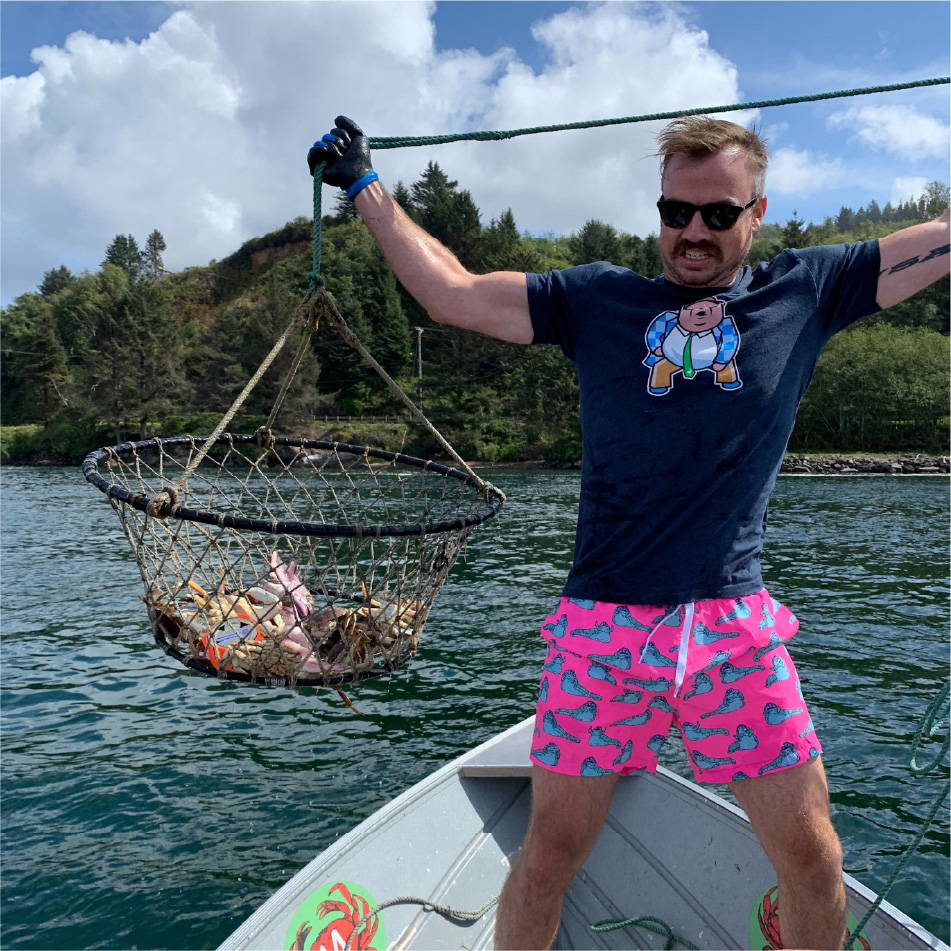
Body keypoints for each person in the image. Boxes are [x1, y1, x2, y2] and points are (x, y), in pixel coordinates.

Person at [308, 115, 950, 950]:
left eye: (718, 214)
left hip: (731, 629)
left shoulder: (807, 289)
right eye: (675, 211)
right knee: (549, 854)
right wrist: (364, 184)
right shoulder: (596, 300)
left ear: (756, 213)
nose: (693, 231)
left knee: (810, 854)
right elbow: (452, 293)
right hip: (602, 630)